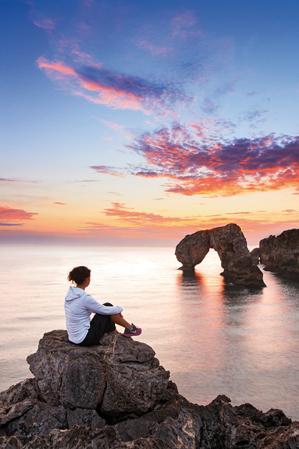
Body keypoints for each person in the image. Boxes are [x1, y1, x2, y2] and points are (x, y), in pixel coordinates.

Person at [65, 266, 142, 346]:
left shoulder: (70, 294)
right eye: (89, 277)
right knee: (108, 307)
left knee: (108, 308)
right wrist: (120, 309)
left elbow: (98, 310)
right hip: (84, 339)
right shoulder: (84, 298)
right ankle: (131, 329)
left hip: (73, 338)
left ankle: (116, 331)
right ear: (86, 279)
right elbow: (104, 310)